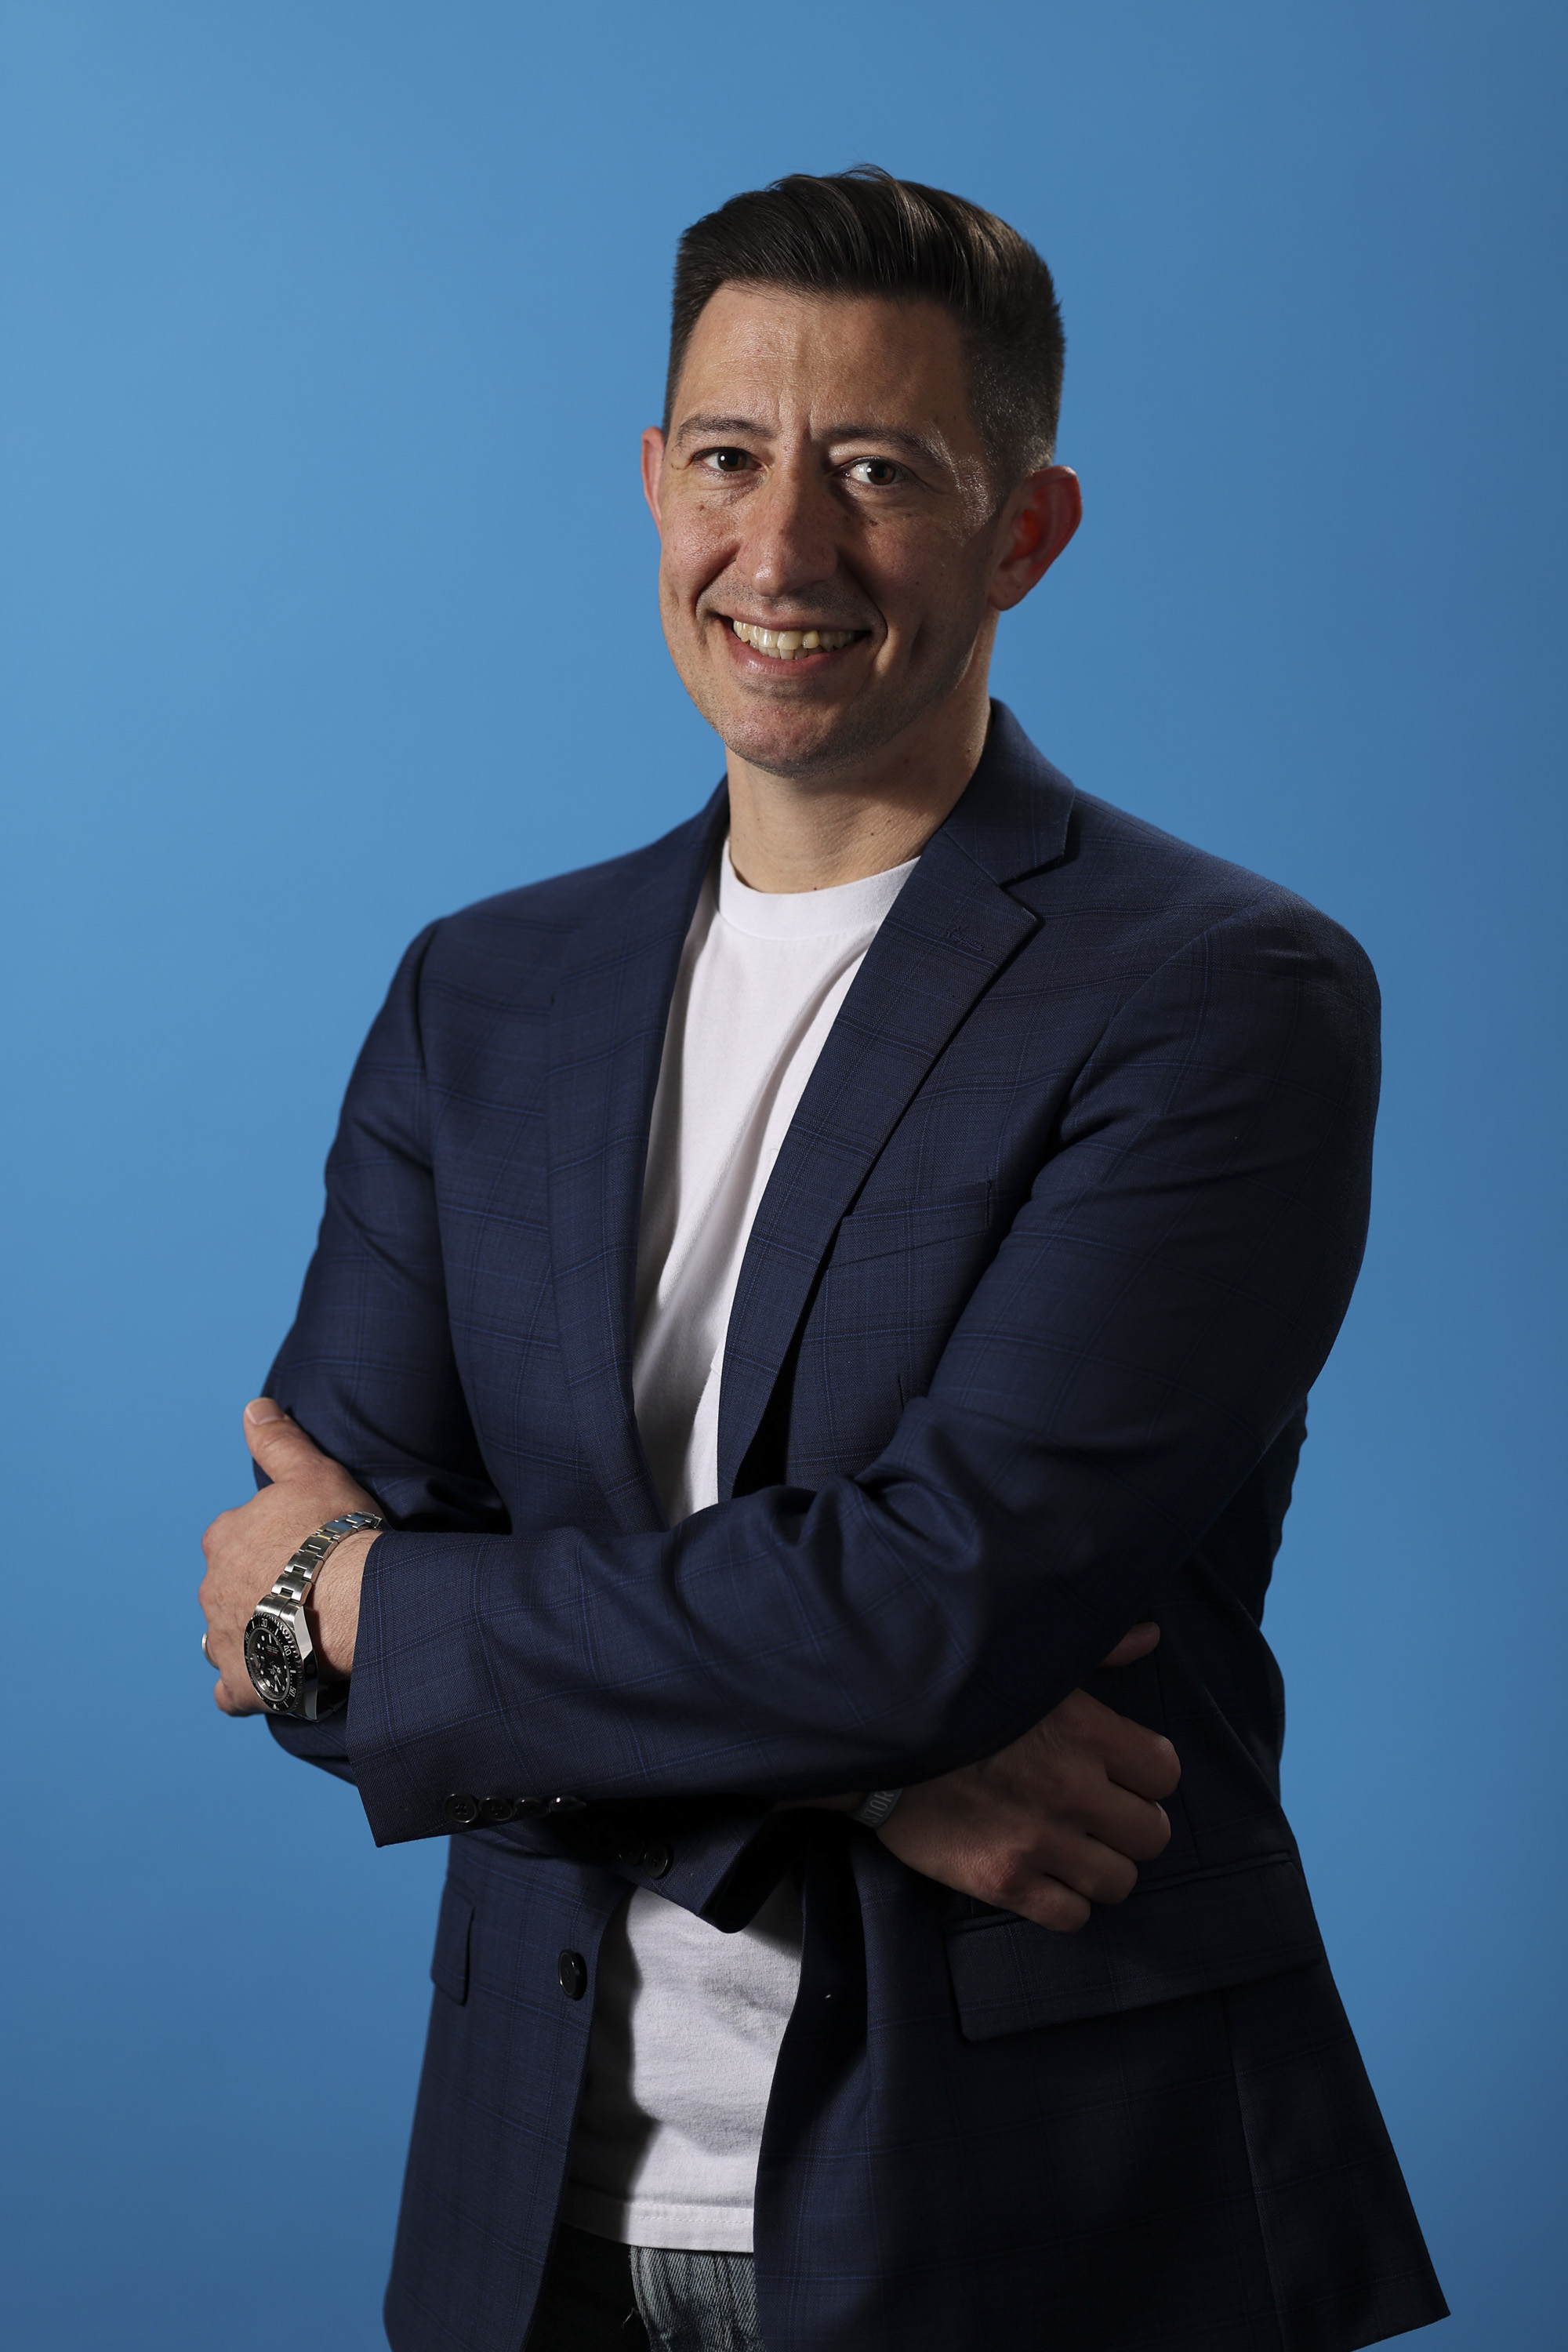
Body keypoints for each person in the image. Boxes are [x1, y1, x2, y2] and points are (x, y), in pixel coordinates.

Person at [198, 168, 1446, 2352]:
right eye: (728, 460)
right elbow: (295, 1627)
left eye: (877, 471)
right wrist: (863, 1760)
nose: (781, 554)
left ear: (1027, 531)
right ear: (653, 483)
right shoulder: (479, 994)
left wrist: (389, 1616)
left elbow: (925, 1601)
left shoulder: (1223, 995)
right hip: (534, 2210)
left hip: (1038, 2219)